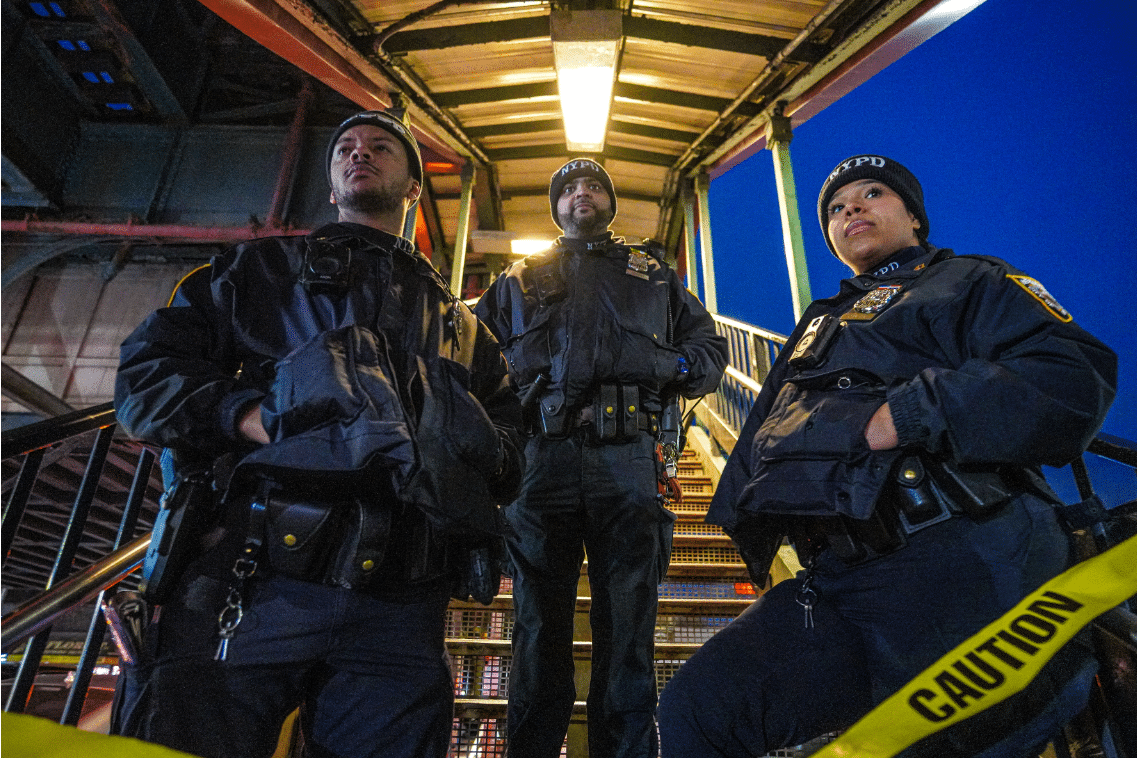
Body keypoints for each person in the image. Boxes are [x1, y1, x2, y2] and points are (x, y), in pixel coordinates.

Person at [657, 154, 1117, 757]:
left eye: (872, 193)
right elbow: (760, 437)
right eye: (836, 208)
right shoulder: (818, 323)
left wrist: (908, 413)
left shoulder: (970, 281)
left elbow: (1073, 377)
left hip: (960, 562)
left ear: (914, 217)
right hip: (839, 576)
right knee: (697, 706)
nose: (852, 208)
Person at [112, 109, 524, 758]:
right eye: (346, 149)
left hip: (401, 604)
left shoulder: (461, 327)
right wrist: (254, 415)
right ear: (332, 186)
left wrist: (469, 444)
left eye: (380, 147)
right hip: (251, 581)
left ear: (414, 187)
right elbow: (145, 379)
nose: (359, 153)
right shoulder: (254, 272)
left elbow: (510, 450)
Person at [474, 158, 728, 758]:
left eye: (593, 187)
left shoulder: (654, 276)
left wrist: (662, 366)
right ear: (555, 206)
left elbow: (710, 355)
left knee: (630, 631)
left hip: (630, 463)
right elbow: (470, 362)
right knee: (536, 629)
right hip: (539, 465)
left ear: (610, 204)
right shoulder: (516, 278)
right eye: (569, 189)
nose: (581, 195)